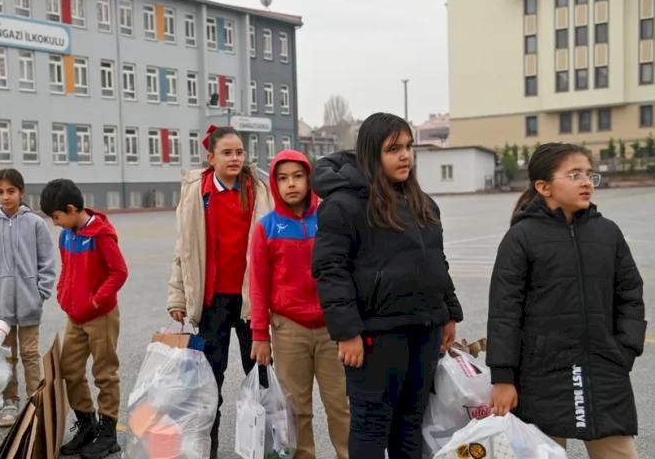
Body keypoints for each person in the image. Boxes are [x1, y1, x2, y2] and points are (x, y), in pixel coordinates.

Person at [310, 112, 462, 459]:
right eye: (394, 149)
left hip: (423, 330)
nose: (405, 155)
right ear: (371, 154)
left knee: (410, 424)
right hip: (375, 336)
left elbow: (436, 263)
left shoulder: (424, 204)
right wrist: (347, 332)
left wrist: (448, 313)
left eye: (408, 147)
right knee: (371, 425)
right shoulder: (344, 205)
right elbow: (330, 270)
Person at [488, 143, 646, 459]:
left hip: (604, 373)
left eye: (589, 174)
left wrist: (624, 350)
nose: (586, 182)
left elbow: (630, 295)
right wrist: (503, 378)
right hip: (542, 375)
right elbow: (505, 311)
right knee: (541, 452)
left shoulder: (608, 233)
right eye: (574, 175)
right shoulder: (522, 238)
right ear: (543, 186)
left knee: (620, 452)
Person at [166, 125, 272, 457]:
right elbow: (183, 249)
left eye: (239, 151)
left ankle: (263, 446)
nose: (235, 158)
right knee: (210, 382)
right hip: (211, 302)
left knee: (260, 378)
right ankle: (205, 448)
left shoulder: (259, 189)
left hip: (251, 302)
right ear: (210, 158)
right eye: (227, 152)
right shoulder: (197, 193)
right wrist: (178, 296)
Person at [249, 149, 350, 459]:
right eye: (282, 178)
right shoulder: (266, 227)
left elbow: (349, 270)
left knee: (341, 406)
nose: (290, 184)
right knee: (295, 410)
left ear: (310, 179)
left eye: (297, 176)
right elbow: (257, 285)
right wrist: (259, 334)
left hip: (333, 328)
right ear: (274, 185)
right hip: (288, 329)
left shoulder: (330, 220)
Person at [40, 179, 128, 459]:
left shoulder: (100, 235)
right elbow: (67, 267)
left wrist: (94, 301)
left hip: (100, 316)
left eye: (56, 217)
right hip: (74, 316)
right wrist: (63, 295)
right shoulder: (67, 234)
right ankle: (87, 425)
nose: (55, 223)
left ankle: (108, 434)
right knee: (70, 370)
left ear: (70, 208)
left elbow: (118, 273)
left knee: (104, 373)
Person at [0, 169, 56, 427]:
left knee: (30, 354)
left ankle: (36, 402)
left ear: (22, 192)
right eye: (0, 192)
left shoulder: (36, 224)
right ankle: (10, 402)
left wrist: (40, 291)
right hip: (0, 308)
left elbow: (47, 262)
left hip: (30, 304)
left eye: (11, 191)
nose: (6, 197)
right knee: (7, 355)